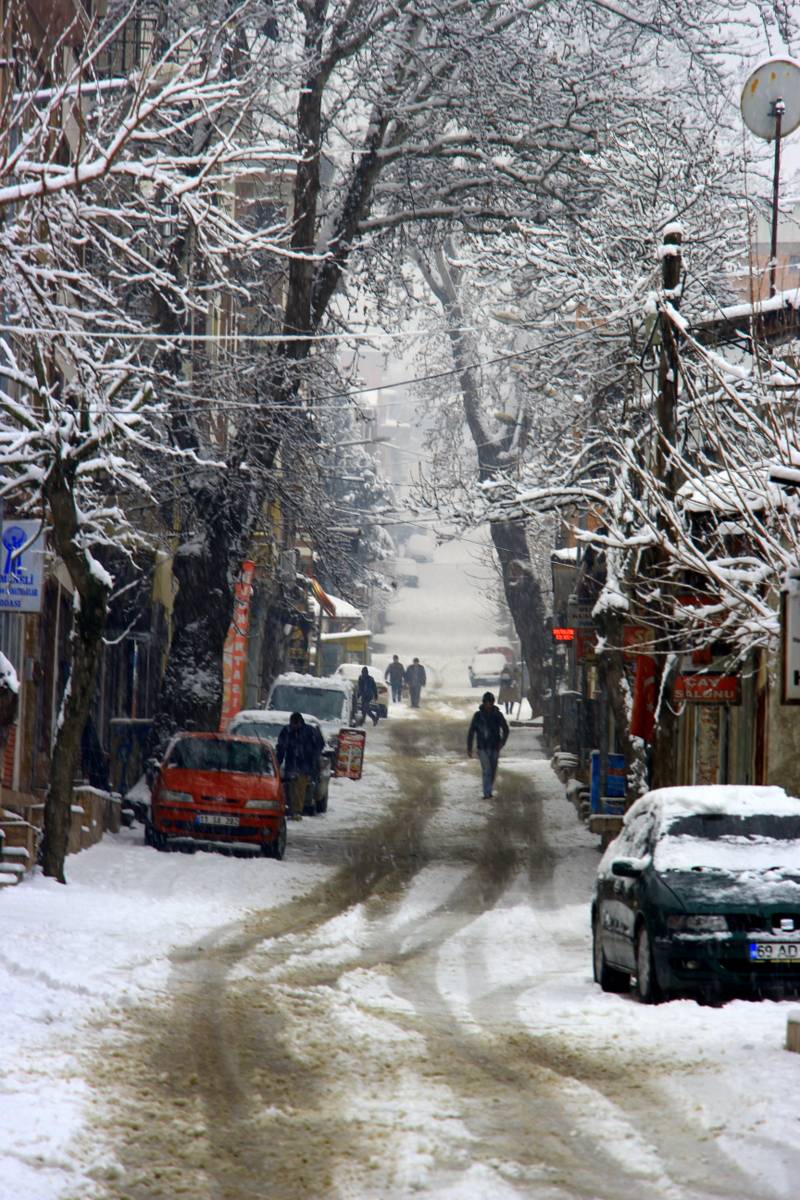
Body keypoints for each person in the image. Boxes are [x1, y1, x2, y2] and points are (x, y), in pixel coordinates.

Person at [276, 712, 320, 820]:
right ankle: (291, 810)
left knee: (299, 789)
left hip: (304, 766)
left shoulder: (310, 731)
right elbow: (281, 748)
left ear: (300, 723)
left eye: (295, 724)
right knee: (290, 789)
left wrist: (312, 758)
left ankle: (296, 811)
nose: (293, 726)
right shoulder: (286, 731)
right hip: (290, 765)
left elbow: (318, 746)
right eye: (292, 724)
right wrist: (277, 763)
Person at [467, 691, 509, 799]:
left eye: (490, 702)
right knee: (487, 770)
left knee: (493, 769)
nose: (488, 704)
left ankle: (488, 788)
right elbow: (471, 731)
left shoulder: (497, 715)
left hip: (495, 746)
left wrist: (502, 743)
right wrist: (469, 748)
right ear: (483, 703)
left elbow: (505, 729)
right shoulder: (478, 716)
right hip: (482, 747)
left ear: (493, 703)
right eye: (486, 702)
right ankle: (487, 793)